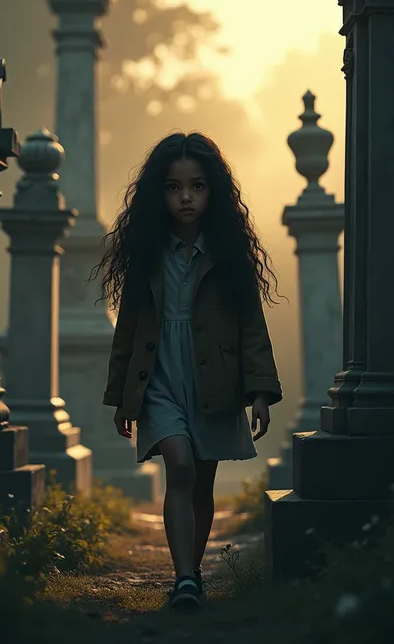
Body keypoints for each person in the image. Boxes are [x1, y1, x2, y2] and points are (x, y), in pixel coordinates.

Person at [91, 132, 282, 610]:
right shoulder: (146, 254)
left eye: (197, 186)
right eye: (174, 188)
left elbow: (251, 326)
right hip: (157, 376)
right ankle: (183, 578)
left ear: (213, 191)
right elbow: (129, 327)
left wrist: (260, 390)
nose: (186, 197)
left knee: (201, 480)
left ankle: (191, 574)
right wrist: (121, 396)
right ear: (159, 193)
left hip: (214, 379)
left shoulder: (228, 256)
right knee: (178, 465)